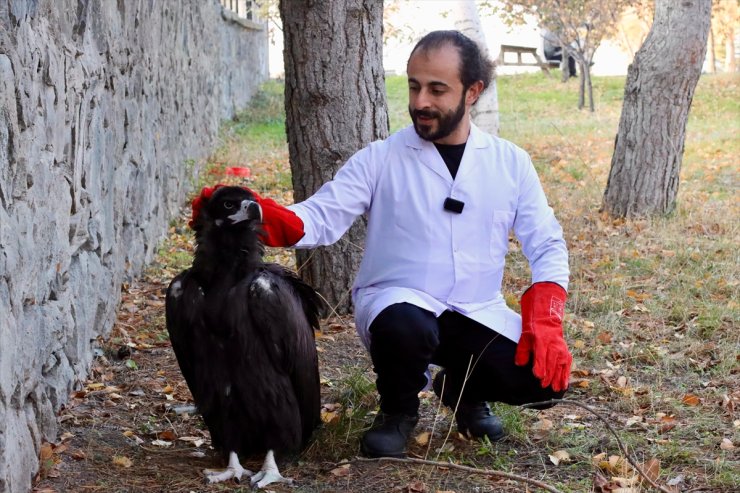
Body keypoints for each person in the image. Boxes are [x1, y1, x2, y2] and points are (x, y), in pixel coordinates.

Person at [250, 30, 571, 458]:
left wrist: (547, 312)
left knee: (544, 381)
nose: (421, 101)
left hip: (475, 309)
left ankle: (460, 391)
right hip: (398, 302)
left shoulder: (509, 163)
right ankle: (397, 413)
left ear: (472, 91)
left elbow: (546, 242)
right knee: (407, 324)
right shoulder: (381, 158)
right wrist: (255, 215)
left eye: (437, 89)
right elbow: (320, 216)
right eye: (414, 85)